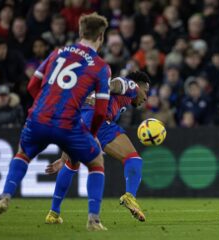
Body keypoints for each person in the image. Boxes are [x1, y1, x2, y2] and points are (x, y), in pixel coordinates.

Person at [0, 13, 111, 231]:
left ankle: (5, 197)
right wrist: (92, 134)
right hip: (68, 124)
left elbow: (31, 86)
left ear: (80, 33)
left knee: (23, 153)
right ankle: (93, 219)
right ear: (101, 37)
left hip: (38, 118)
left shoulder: (58, 52)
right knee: (96, 163)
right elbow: (101, 111)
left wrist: (44, 105)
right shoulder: (101, 67)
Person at [44, 71, 150, 224]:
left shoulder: (122, 101)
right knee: (133, 158)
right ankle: (129, 196)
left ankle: (53, 214)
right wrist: (100, 94)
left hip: (79, 119)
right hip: (97, 119)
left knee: (71, 164)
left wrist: (62, 158)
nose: (145, 97)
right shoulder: (130, 85)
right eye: (145, 91)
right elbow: (114, 84)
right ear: (138, 86)